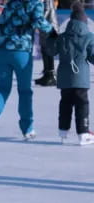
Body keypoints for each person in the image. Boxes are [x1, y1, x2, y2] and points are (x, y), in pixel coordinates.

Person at [0, 0, 54, 139]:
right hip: (21, 52)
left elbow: (1, 22)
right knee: (24, 91)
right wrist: (53, 32)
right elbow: (38, 21)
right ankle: (27, 128)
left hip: (2, 51)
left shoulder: (11, 3)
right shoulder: (35, 3)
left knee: (3, 88)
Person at [46, 1, 94, 145]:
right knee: (82, 105)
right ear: (84, 22)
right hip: (81, 79)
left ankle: (63, 130)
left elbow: (51, 51)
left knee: (65, 103)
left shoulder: (62, 37)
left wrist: (51, 37)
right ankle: (83, 132)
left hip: (65, 78)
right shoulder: (89, 37)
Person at [34, 0, 59, 86]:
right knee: (44, 50)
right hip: (44, 29)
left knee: (49, 51)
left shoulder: (47, 1)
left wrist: (36, 21)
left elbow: (46, 11)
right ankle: (46, 74)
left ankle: (51, 76)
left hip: (50, 28)